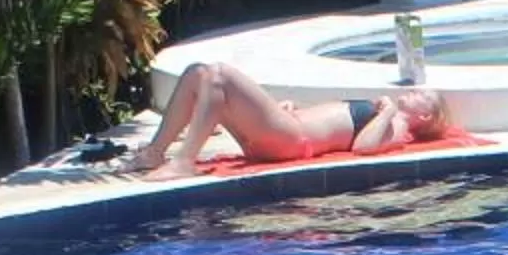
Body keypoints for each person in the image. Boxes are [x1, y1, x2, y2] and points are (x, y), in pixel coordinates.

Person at [132, 62, 454, 180]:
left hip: (292, 141)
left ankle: (185, 161)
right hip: (285, 130)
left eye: (421, 95)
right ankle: (155, 152)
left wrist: (385, 111)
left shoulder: (399, 126)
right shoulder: (390, 116)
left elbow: (365, 147)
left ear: (423, 116)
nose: (413, 92)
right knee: (197, 74)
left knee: (219, 75)